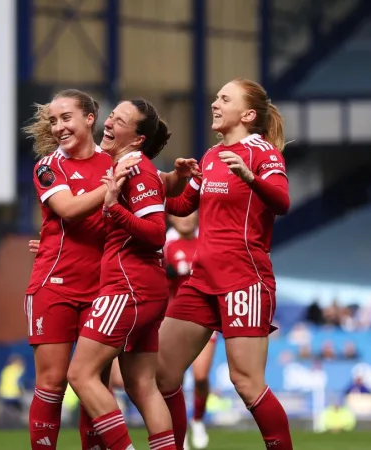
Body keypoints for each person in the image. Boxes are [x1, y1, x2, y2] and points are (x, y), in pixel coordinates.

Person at [22, 89, 196, 450]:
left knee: (94, 385)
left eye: (66, 118)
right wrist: (112, 188)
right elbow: (69, 210)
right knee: (53, 383)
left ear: (90, 119)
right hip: (55, 284)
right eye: (53, 121)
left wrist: (180, 177)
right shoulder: (49, 166)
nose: (58, 127)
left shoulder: (116, 159)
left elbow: (159, 184)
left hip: (104, 288)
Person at [157, 78, 293, 449]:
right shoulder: (211, 156)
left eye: (224, 99)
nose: (215, 103)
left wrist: (251, 177)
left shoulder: (263, 153)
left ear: (247, 115)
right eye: (216, 97)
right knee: (162, 374)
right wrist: (150, 190)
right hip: (201, 281)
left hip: (244, 279)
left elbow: (282, 201)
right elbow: (183, 206)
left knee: (246, 383)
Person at [67, 98, 177, 450]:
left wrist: (114, 208)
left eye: (120, 120)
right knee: (142, 386)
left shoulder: (136, 169)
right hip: (145, 289)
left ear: (138, 138)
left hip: (128, 288)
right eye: (112, 115)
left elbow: (156, 233)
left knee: (80, 374)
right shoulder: (129, 168)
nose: (110, 123)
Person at [164, 213, 213, 449]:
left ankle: (198, 420)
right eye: (179, 215)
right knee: (175, 381)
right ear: (170, 218)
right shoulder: (165, 244)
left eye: (190, 213)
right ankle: (179, 434)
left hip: (205, 319)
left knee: (201, 377)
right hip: (175, 320)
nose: (185, 219)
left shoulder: (207, 241)